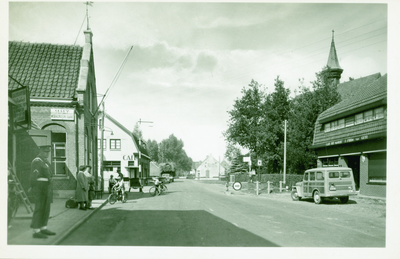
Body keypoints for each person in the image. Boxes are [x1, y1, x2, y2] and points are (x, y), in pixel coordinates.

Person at [29, 145, 56, 239]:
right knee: (39, 208)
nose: (47, 153)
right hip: (39, 187)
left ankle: (43, 227)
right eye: (45, 151)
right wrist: (32, 187)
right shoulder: (37, 161)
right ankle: (36, 230)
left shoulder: (46, 162)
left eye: (48, 152)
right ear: (40, 151)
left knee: (46, 207)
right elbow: (34, 175)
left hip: (46, 186)